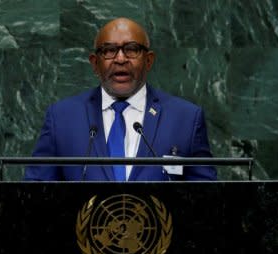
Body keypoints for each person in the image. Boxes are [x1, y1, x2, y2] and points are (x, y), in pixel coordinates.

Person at [24, 17, 217, 181]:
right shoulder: (62, 118)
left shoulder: (186, 118)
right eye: (109, 50)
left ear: (148, 60)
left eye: (132, 49)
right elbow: (35, 194)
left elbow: (207, 199)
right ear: (95, 63)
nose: (121, 59)